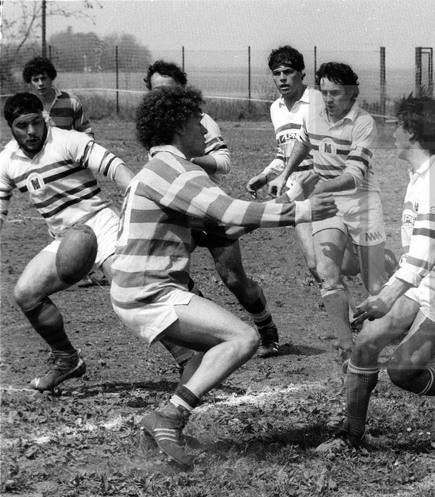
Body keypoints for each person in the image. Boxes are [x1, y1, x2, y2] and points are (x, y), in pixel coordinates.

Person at [112, 85, 336, 469]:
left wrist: (283, 202)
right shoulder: (176, 170)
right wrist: (301, 212)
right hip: (149, 292)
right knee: (243, 338)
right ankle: (169, 417)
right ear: (179, 125)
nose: (205, 128)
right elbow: (231, 213)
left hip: (137, 289)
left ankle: (166, 424)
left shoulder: (162, 168)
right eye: (197, 120)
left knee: (206, 352)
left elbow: (223, 230)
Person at [317, 95, 435, 451]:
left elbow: (425, 254)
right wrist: (389, 291)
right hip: (419, 279)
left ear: (414, 133)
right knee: (366, 343)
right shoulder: (421, 174)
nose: (393, 133)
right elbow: (416, 257)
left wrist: (386, 297)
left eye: (399, 126)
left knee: (403, 371)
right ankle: (351, 437)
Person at [143, 60, 281, 358]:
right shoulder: (153, 127)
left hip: (208, 209)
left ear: (182, 89)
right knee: (167, 273)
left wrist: (188, 160)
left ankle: (266, 326)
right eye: (155, 90)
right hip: (178, 213)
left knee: (233, 279)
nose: (162, 95)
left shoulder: (200, 121)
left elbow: (224, 162)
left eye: (168, 89)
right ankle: (205, 330)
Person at [0, 92, 133, 390]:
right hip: (65, 238)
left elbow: (117, 168)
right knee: (25, 293)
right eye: (22, 126)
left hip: (101, 223)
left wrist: (137, 196)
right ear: (10, 127)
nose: (31, 131)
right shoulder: (6, 161)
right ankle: (66, 359)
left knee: (130, 293)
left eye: (36, 122)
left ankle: (187, 359)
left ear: (44, 118)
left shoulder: (69, 140)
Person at [261, 62, 390, 366]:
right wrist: (284, 175)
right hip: (329, 205)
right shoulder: (314, 115)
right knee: (327, 274)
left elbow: (354, 176)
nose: (329, 99)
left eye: (336, 93)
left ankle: (390, 281)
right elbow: (303, 143)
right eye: (324, 92)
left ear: (352, 93)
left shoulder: (364, 123)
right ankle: (348, 349)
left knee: (374, 288)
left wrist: (317, 187)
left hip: (362, 205)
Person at [246, 46, 359, 284]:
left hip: (324, 189)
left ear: (301, 74)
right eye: (277, 73)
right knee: (314, 264)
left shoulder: (318, 100)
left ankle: (382, 260)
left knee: (346, 265)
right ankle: (345, 309)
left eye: (288, 72)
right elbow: (284, 152)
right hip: (297, 192)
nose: (282, 78)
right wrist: (266, 175)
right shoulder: (275, 109)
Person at [22, 56, 92, 136]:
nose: (40, 83)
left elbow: (86, 132)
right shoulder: (24, 105)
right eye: (35, 80)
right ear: (30, 82)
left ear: (51, 78)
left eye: (44, 78)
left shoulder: (72, 102)